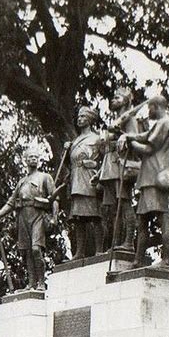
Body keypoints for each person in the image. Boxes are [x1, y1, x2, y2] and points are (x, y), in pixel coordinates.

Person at [120, 95, 169, 268]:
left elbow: (148, 147)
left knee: (162, 216)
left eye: (150, 108)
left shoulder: (165, 123)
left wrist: (131, 144)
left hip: (157, 177)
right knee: (142, 220)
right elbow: (146, 135)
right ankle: (138, 260)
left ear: (156, 107)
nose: (148, 112)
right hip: (149, 177)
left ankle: (167, 260)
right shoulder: (160, 125)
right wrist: (130, 136)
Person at [0, 147, 55, 291]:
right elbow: (11, 202)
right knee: (27, 251)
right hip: (23, 216)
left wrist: (54, 217)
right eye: (31, 157)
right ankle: (31, 283)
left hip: (38, 214)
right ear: (26, 160)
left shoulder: (44, 177)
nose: (33, 159)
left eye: (36, 157)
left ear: (38, 160)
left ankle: (41, 281)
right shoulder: (21, 181)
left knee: (36, 249)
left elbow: (54, 198)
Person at [98, 87, 139, 252]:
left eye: (118, 97)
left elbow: (135, 137)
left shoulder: (129, 119)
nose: (113, 100)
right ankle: (116, 242)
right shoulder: (116, 119)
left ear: (126, 100)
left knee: (125, 203)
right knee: (113, 207)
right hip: (109, 164)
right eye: (113, 98)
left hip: (121, 163)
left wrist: (124, 136)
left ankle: (128, 242)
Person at [65, 106, 103, 259]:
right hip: (76, 179)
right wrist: (68, 150)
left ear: (90, 119)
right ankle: (79, 251)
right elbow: (69, 162)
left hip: (89, 178)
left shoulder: (97, 139)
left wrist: (96, 168)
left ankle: (99, 249)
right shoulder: (74, 141)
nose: (79, 119)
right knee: (78, 217)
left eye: (83, 116)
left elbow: (106, 159)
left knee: (95, 215)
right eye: (79, 117)